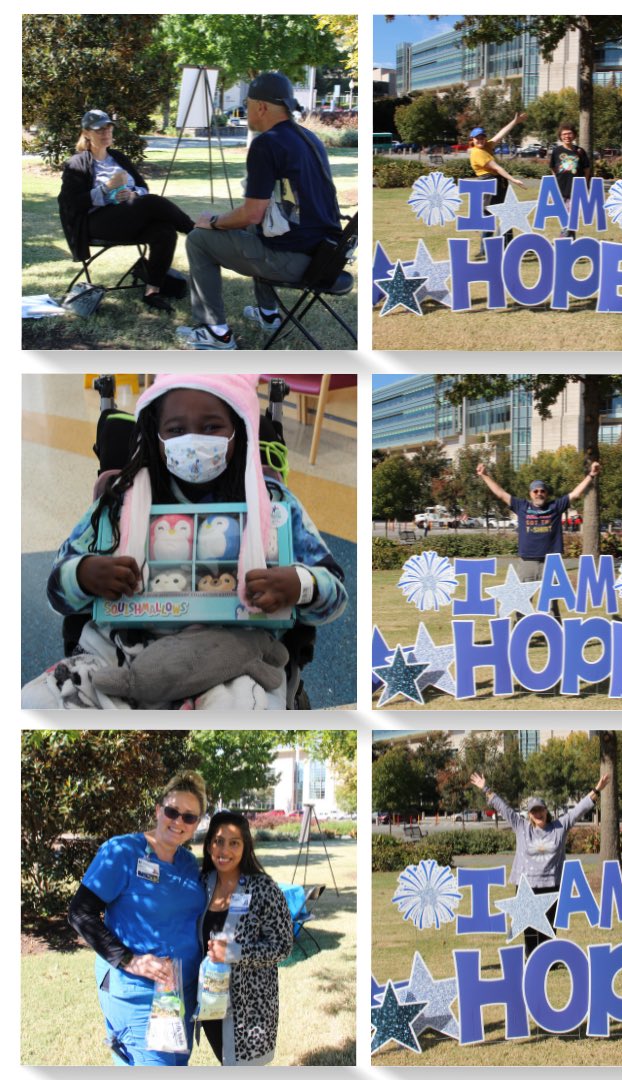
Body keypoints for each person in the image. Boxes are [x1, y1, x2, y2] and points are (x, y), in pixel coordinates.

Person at [22, 374, 348, 709]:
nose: (192, 441)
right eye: (176, 430)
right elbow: (55, 591)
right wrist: (83, 575)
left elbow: (335, 593)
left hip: (232, 659)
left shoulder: (274, 503)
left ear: (240, 429)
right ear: (155, 435)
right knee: (34, 703)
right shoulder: (119, 502)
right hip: (122, 653)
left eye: (211, 428)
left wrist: (301, 585)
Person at [177, 72, 343, 349]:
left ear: (261, 107)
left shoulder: (266, 144)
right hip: (326, 255)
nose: (246, 109)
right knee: (257, 228)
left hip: (297, 261)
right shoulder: (309, 138)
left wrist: (213, 222)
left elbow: (252, 212)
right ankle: (268, 315)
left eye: (248, 102)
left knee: (197, 239)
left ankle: (216, 333)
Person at [67, 771, 208, 1065]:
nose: (178, 821)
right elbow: (81, 913)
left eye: (189, 817)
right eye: (172, 811)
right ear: (158, 811)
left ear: (196, 825)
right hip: (138, 993)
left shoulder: (187, 862)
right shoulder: (122, 852)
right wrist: (130, 959)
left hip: (183, 992)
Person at [58, 110, 195, 313]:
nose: (106, 133)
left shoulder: (118, 157)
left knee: (164, 230)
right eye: (99, 129)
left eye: (109, 128)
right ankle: (195, 230)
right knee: (151, 203)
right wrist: (107, 189)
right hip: (97, 223)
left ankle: (152, 291)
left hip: (128, 217)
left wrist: (132, 194)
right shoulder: (76, 163)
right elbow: (73, 204)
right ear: (86, 133)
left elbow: (142, 187)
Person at [469, 770, 610, 955]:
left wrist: (597, 790)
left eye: (540, 810)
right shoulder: (521, 827)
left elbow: (579, 810)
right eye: (533, 811)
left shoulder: (559, 827)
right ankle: (532, 957)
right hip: (526, 885)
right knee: (528, 929)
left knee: (549, 927)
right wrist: (485, 788)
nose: (538, 813)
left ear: (546, 811)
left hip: (552, 884)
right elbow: (503, 808)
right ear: (529, 814)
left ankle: (548, 958)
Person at [197, 811, 293, 1065]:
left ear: (245, 846)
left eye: (234, 843)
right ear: (208, 845)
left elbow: (283, 946)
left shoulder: (264, 889)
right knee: (224, 1060)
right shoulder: (202, 884)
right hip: (212, 1002)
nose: (224, 849)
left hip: (251, 1009)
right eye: (218, 841)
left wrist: (234, 952)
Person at [475, 459, 601, 597]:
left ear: (546, 494)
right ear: (531, 493)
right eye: (535, 491)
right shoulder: (522, 506)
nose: (539, 493)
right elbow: (500, 493)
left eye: (542, 491)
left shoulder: (555, 506)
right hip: (527, 562)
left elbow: (575, 494)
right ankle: (520, 620)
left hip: (551, 563)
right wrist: (484, 475)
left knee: (551, 605)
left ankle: (553, 619)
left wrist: (591, 475)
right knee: (521, 601)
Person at [468, 114, 528, 244]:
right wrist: (514, 180)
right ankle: (485, 249)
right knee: (489, 216)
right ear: (472, 140)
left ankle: (508, 245)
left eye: (482, 137)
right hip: (488, 183)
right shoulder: (477, 153)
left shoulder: (486, 147)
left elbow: (500, 134)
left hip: (499, 183)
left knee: (507, 213)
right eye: (477, 138)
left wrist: (514, 121)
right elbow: (497, 168)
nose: (480, 140)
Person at [548, 124, 592, 238]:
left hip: (575, 189)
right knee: (564, 217)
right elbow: (553, 169)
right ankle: (570, 241)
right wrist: (554, 185)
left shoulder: (580, 151)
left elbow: (587, 170)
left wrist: (585, 185)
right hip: (560, 189)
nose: (567, 136)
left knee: (571, 217)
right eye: (564, 134)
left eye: (569, 133)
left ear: (574, 135)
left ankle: (564, 239)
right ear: (560, 136)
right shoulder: (557, 151)